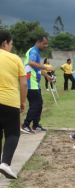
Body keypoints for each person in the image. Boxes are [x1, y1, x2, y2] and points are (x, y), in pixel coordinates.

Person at [0, 30, 27, 179]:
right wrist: (22, 101)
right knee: (13, 133)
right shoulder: (15, 58)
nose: (11, 46)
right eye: (11, 44)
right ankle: (5, 163)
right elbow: (23, 83)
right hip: (9, 101)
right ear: (5, 43)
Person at [21, 35, 53, 134]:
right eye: (44, 44)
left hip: (35, 83)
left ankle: (35, 125)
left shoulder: (36, 52)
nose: (46, 46)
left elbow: (36, 68)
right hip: (31, 82)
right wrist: (46, 67)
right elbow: (31, 63)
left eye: (47, 44)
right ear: (38, 42)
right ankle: (25, 125)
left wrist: (46, 76)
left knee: (38, 104)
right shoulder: (34, 51)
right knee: (36, 104)